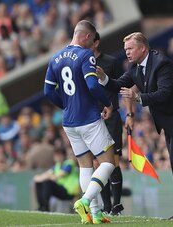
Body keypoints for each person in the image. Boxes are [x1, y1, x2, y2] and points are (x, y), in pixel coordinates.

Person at [97, 32, 173, 219]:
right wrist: (103, 78)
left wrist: (138, 97)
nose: (126, 52)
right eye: (125, 49)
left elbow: (164, 93)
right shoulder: (135, 68)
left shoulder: (162, 64)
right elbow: (118, 84)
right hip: (169, 120)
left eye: (130, 48)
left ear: (143, 48)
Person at [43, 20, 115, 224]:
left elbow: (48, 91)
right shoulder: (85, 55)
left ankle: (94, 214)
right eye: (92, 40)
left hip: (69, 122)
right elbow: (92, 86)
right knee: (108, 162)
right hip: (88, 118)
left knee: (85, 167)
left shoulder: (55, 58)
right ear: (85, 36)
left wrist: (66, 105)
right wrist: (107, 103)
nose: (93, 44)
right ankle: (84, 200)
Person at [91, 32, 125, 215]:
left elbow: (123, 86)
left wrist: (130, 113)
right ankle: (105, 206)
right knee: (98, 164)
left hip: (111, 118)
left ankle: (117, 205)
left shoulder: (111, 62)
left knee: (113, 162)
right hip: (92, 119)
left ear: (96, 42)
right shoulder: (81, 64)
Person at [33, 148, 80, 212]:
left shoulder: (69, 164)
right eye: (56, 155)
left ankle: (46, 207)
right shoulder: (56, 166)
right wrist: (40, 178)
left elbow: (55, 177)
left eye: (60, 155)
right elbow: (40, 177)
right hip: (62, 191)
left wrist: (43, 177)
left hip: (70, 193)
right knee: (40, 182)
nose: (58, 157)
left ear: (64, 156)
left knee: (47, 182)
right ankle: (41, 206)